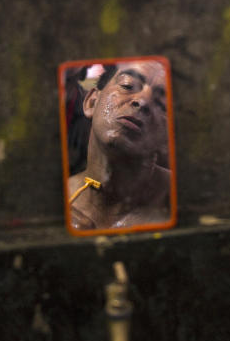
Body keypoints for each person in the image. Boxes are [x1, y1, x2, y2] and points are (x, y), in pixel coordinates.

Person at [67, 60, 172, 230]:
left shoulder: (183, 200)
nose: (142, 101)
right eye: (127, 86)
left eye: (161, 104)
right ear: (91, 102)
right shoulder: (55, 203)